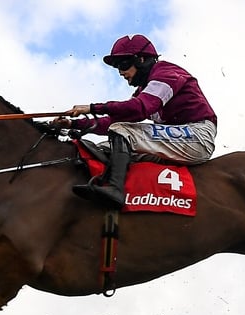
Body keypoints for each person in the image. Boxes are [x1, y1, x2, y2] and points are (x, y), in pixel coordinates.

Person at [53, 34, 218, 209]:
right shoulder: (144, 89)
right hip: (178, 139)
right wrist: (72, 124)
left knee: (122, 131)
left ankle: (115, 190)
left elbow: (139, 108)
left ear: (141, 59)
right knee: (104, 147)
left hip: (198, 136)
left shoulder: (167, 73)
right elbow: (112, 121)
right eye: (117, 67)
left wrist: (93, 108)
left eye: (123, 64)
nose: (121, 72)